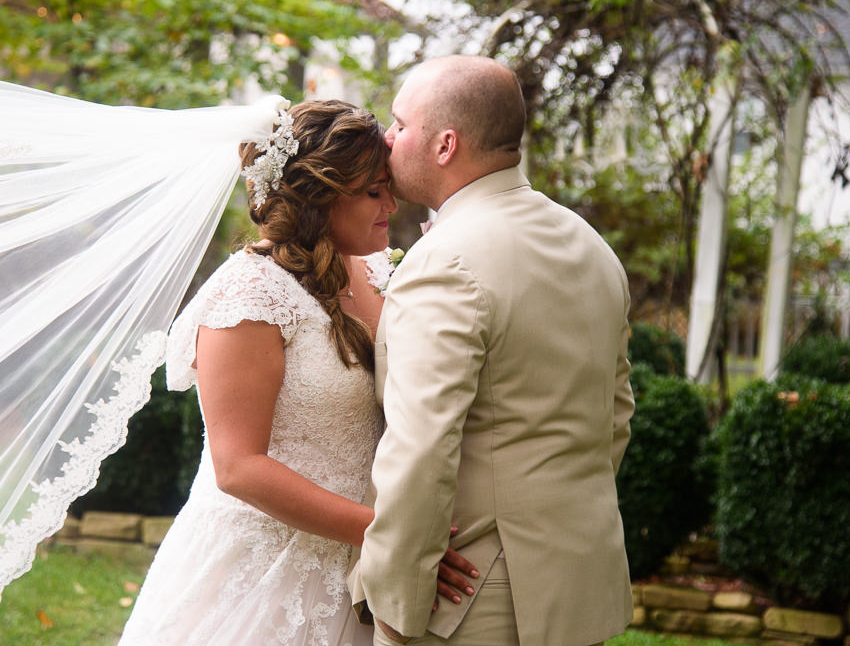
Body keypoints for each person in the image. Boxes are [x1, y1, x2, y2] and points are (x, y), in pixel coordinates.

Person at [118, 99, 475, 646]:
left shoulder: (378, 268)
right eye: (373, 191)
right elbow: (238, 467)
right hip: (265, 568)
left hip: (360, 564)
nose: (392, 203)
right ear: (320, 198)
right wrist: (393, 534)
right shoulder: (249, 295)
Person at [350, 55, 636, 646]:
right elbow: (615, 417)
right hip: (581, 582)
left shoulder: (446, 262)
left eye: (400, 124)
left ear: (445, 144)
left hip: (478, 597)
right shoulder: (591, 247)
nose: (387, 137)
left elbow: (421, 447)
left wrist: (395, 601)